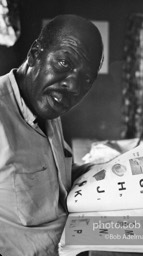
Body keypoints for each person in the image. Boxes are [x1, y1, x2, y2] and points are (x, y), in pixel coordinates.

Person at [0, 14, 103, 256]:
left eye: (86, 79)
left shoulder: (47, 107)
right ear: (35, 54)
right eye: (64, 64)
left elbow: (52, 176)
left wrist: (110, 168)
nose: (75, 87)